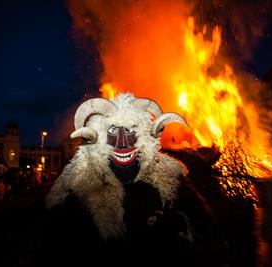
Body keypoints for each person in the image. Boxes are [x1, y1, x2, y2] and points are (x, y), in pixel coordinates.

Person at [34, 94, 226, 266]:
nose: (122, 142)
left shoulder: (166, 176)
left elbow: (202, 220)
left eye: (130, 132)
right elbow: (53, 243)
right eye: (113, 133)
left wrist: (176, 222)